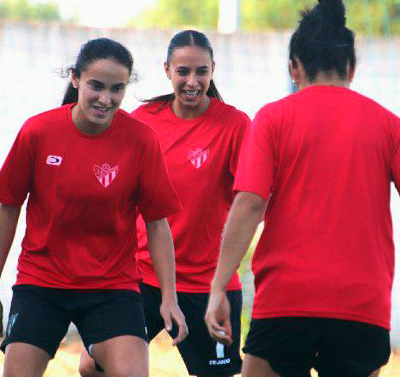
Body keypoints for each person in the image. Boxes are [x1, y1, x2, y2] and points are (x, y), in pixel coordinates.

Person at [205, 1, 400, 376]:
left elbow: (249, 205)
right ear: (352, 67)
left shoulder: (273, 118)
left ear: (294, 68)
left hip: (286, 303)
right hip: (362, 308)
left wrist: (217, 288)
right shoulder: (390, 126)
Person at [0, 37, 188, 377]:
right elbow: (7, 210)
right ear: (75, 78)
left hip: (112, 287)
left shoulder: (141, 140)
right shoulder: (38, 132)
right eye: (96, 86)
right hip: (41, 283)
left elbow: (157, 223)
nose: (106, 99)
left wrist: (169, 298)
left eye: (116, 89)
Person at [78, 30, 250, 377]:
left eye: (201, 71)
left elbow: (252, 202)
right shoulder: (143, 120)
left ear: (212, 69)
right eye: (183, 71)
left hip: (207, 283)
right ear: (167, 70)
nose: (192, 80)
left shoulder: (235, 125)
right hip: (142, 276)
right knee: (91, 367)